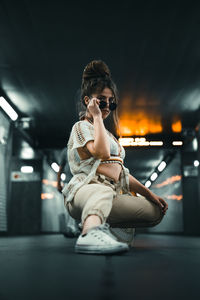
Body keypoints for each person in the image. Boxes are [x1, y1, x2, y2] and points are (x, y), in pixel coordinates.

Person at [62, 60, 168, 254]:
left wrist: (150, 194)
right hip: (83, 192)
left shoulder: (109, 136)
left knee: (154, 212)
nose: (107, 105)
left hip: (109, 193)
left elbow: (121, 174)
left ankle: (101, 221)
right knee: (102, 191)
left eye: (111, 101)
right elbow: (101, 152)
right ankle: (89, 233)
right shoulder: (81, 127)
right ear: (88, 101)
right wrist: (95, 117)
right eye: (102, 100)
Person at [57, 148, 80, 237]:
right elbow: (61, 167)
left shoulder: (86, 147)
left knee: (79, 205)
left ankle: (79, 228)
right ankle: (71, 229)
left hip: (82, 181)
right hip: (69, 181)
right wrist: (58, 183)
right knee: (69, 205)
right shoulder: (66, 150)